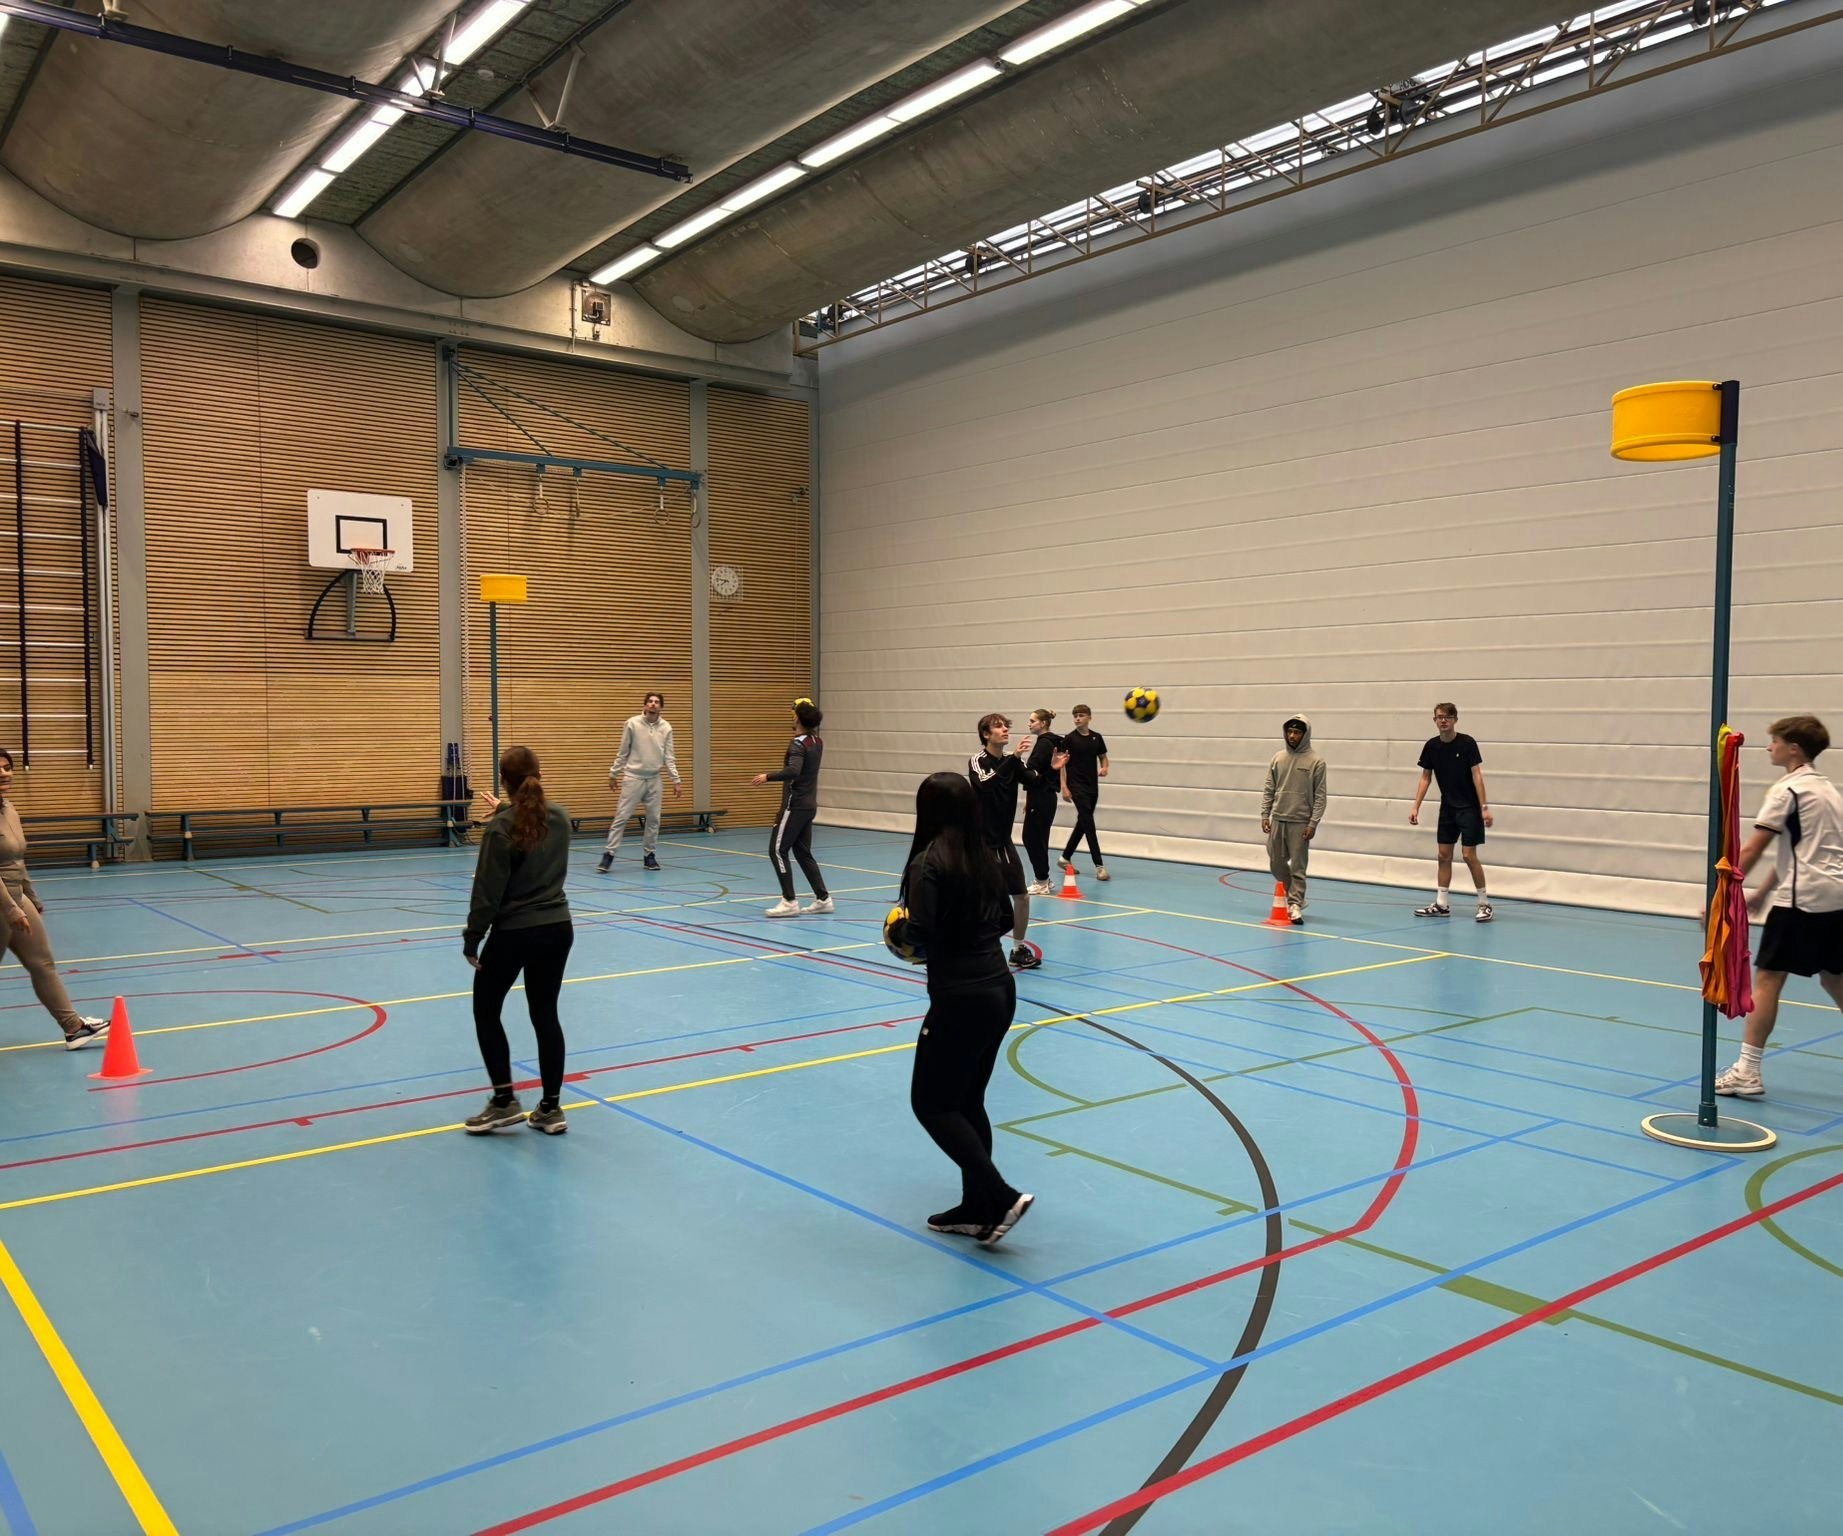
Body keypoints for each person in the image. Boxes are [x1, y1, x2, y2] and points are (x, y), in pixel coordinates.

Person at [894, 771, 1035, 1245]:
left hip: (960, 996)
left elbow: (924, 935)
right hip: (999, 989)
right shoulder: (985, 855)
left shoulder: (928, 862)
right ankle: (977, 1207)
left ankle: (997, 1194)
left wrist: (900, 936)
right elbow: (1002, 919)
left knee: (930, 1103)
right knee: (967, 1100)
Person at [1717, 715, 1843, 1099]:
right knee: (1834, 978)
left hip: (1802, 902)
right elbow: (1797, 851)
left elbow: (1754, 847)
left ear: (1794, 748)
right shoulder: (1828, 792)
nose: (1769, 747)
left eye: (1774, 741)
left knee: (1768, 979)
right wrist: (1759, 893)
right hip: (1835, 898)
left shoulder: (1787, 789)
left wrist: (1724, 892)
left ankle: (1747, 1071)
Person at [463, 746, 575, 1135]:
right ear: (538, 775)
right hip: (558, 928)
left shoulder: (501, 828)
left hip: (515, 932)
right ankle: (550, 1108)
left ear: (503, 781)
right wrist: (505, 815)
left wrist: (473, 936)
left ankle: (504, 1100)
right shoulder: (561, 818)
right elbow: (534, 827)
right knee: (545, 1014)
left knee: (486, 1009)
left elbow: (488, 892)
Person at [0, 748, 108, 1049]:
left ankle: (73, 1028)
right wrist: (10, 908)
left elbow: (17, 860)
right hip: (1, 902)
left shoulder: (9, 809)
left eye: (7, 767)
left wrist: (30, 897)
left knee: (42, 962)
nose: (4, 773)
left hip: (15, 895)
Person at [969, 712, 1066, 970]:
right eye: (998, 727)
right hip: (979, 844)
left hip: (1003, 842)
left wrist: (1052, 770)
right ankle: (959, 948)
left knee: (1021, 896)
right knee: (979, 901)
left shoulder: (1013, 763)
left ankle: (1017, 948)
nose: (1004, 730)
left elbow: (1035, 782)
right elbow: (985, 784)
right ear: (986, 735)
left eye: (1005, 726)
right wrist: (1013, 759)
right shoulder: (978, 760)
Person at [1408, 702, 1495, 922]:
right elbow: (1425, 777)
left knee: (1468, 855)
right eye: (1439, 717)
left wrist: (1484, 807)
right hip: (1447, 809)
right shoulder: (1431, 746)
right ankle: (1441, 904)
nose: (1443, 720)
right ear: (1434, 720)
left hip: (1469, 809)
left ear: (1456, 719)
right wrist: (1415, 806)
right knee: (1443, 855)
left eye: (1448, 716)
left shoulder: (1467, 743)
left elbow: (1477, 775)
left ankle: (1485, 903)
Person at [752, 699, 832, 917]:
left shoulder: (797, 744)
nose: (792, 715)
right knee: (803, 852)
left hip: (794, 805)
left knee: (777, 850)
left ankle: (789, 901)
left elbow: (794, 771)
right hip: (809, 805)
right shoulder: (817, 742)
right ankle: (823, 898)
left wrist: (767, 776)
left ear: (799, 718)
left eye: (794, 713)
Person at [598, 691, 681, 873]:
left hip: (654, 778)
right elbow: (623, 751)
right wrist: (613, 774)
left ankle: (649, 856)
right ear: (645, 705)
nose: (653, 704)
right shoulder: (632, 723)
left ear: (661, 706)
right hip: (633, 777)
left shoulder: (667, 727)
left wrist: (676, 780)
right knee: (622, 817)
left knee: (653, 820)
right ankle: (609, 855)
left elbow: (669, 756)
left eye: (656, 702)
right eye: (650, 701)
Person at [1260, 713, 1328, 925]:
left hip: (1300, 822)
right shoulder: (1278, 758)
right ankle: (1295, 897)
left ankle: (1295, 904)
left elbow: (1320, 796)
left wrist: (1313, 823)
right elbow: (1269, 788)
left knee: (1298, 866)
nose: (1292, 736)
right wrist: (1265, 814)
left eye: (1297, 732)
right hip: (1278, 818)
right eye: (1289, 731)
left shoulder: (1316, 761)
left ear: (1305, 735)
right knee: (1276, 862)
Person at [1059, 704, 1110, 880]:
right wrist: (1064, 787)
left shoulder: (1097, 738)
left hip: (1092, 787)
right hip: (1076, 786)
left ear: (1089, 717)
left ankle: (1064, 857)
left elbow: (1103, 757)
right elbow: (1061, 765)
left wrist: (1104, 768)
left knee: (1083, 822)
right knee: (1089, 823)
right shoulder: (1069, 739)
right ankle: (1099, 866)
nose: (1077, 718)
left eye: (1081, 715)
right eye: (1075, 716)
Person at [1020, 708, 1064, 894]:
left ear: (1043, 723)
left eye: (1032, 720)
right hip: (1043, 797)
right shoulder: (1049, 742)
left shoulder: (1044, 744)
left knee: (1031, 838)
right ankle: (1044, 878)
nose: (1029, 723)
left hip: (1042, 797)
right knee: (1038, 839)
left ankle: (1042, 880)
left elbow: (1031, 773)